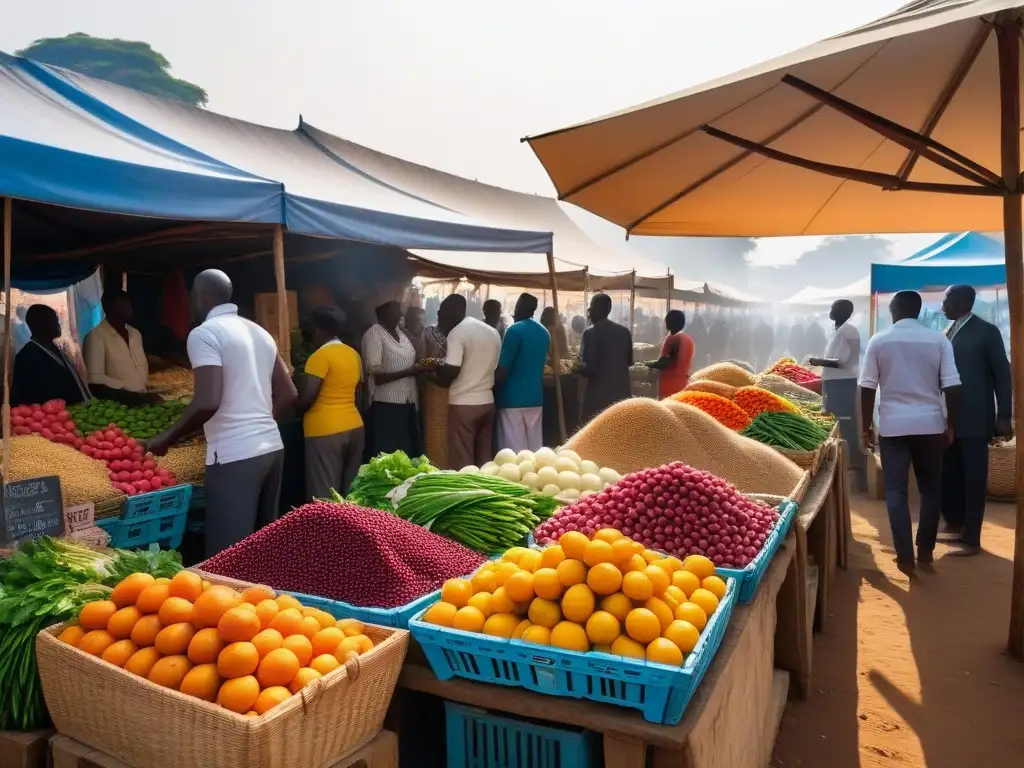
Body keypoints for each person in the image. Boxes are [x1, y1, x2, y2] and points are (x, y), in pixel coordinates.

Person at [146, 270, 297, 558]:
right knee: (262, 549)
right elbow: (289, 393)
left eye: (191, 297)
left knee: (226, 557)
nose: (191, 304)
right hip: (272, 449)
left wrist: (166, 438)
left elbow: (207, 401)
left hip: (235, 456)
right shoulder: (259, 331)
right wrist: (258, 423)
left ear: (201, 295)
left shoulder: (205, 334)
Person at [859, 290, 961, 577]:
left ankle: (904, 556)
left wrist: (865, 427)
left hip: (893, 427)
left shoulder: (879, 340)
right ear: (916, 310)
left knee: (896, 491)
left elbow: (867, 387)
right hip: (930, 426)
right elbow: (952, 387)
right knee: (931, 489)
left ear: (894, 309)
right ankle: (925, 551)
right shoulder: (939, 340)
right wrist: (951, 424)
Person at [938, 284, 1012, 556]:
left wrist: (1004, 415)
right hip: (950, 418)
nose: (942, 306)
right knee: (951, 474)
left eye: (946, 300)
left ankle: (971, 539)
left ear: (961, 301)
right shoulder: (949, 331)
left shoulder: (986, 332)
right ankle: (955, 525)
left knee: (974, 478)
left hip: (975, 417)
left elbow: (1003, 375)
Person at [294, 306, 365, 499]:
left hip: (325, 431)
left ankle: (327, 530)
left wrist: (295, 408)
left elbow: (308, 397)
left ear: (317, 329)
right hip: (354, 426)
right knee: (350, 493)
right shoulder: (353, 354)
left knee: (324, 496)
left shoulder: (319, 357)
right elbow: (359, 394)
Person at [436, 294, 502, 468]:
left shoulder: (457, 333)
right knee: (484, 460)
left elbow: (451, 370)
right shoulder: (492, 331)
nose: (439, 317)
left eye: (441, 312)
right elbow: (494, 367)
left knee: (462, 461)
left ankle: (467, 493)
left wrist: (432, 370)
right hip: (488, 403)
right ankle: (487, 491)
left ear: (452, 311)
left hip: (464, 405)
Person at [808, 300, 864, 485]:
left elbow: (845, 362)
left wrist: (819, 361)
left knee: (845, 425)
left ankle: (857, 466)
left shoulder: (849, 331)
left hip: (843, 383)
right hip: (834, 382)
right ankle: (843, 463)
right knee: (834, 422)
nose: (831, 311)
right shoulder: (838, 329)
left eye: (834, 308)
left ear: (844, 312)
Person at [361, 301, 424, 458]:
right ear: (384, 314)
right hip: (386, 406)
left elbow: (416, 350)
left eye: (400, 311)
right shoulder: (374, 333)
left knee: (406, 454)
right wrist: (411, 371)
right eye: (395, 311)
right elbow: (378, 377)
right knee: (388, 454)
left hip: (407, 404)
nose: (400, 314)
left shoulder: (401, 334)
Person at [82, 288, 160, 405]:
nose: (130, 310)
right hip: (119, 406)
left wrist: (143, 387)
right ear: (109, 309)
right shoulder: (95, 337)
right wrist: (127, 389)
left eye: (129, 306)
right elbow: (95, 380)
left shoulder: (135, 334)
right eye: (124, 307)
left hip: (144, 400)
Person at [495, 293, 549, 453]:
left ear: (519, 308)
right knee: (534, 452)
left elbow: (503, 369)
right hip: (535, 399)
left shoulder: (513, 331)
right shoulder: (544, 332)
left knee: (514, 453)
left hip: (512, 400)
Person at [11, 304, 91, 407]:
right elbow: (26, 398)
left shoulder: (54, 347)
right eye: (55, 320)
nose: (59, 324)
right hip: (54, 418)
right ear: (41, 324)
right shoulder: (27, 356)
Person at [579, 293, 632, 424]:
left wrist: (576, 367)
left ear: (597, 310)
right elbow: (628, 362)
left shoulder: (591, 332)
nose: (589, 312)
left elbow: (588, 369)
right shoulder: (625, 332)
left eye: (591, 308)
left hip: (598, 400)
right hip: (622, 397)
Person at [646, 309, 694, 398]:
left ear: (669, 322)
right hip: (682, 382)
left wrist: (647, 364)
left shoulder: (674, 339)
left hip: (670, 385)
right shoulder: (688, 339)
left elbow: (665, 362)